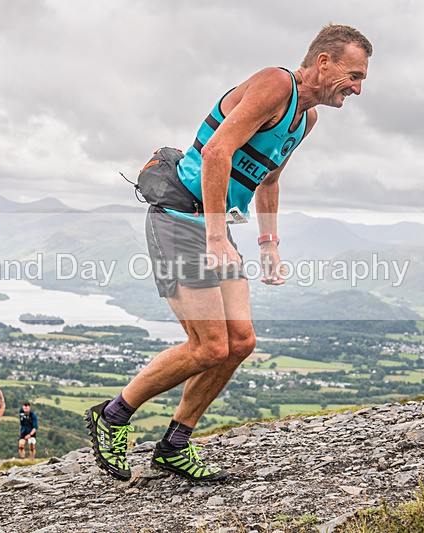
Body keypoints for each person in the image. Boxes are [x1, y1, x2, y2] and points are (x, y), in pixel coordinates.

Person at [87, 24, 372, 482]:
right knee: (208, 345)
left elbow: (269, 180)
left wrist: (269, 245)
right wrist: (218, 237)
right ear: (324, 62)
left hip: (214, 223)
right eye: (353, 75)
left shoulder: (306, 119)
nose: (357, 89)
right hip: (183, 217)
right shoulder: (275, 84)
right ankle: (113, 415)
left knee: (240, 343)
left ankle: (174, 444)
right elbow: (218, 151)